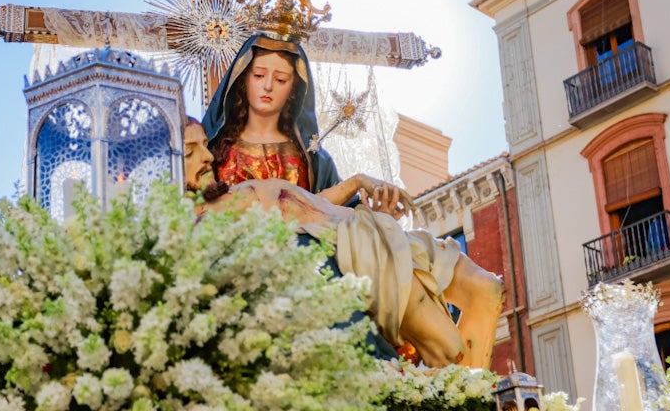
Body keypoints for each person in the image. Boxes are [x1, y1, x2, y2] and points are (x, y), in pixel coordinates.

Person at [183, 119, 505, 370]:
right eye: (190, 151)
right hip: (361, 256)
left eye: (204, 145)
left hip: (373, 229)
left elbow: (308, 202)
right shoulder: (201, 230)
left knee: (488, 289)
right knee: (451, 354)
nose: (208, 155)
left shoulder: (236, 194)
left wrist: (358, 181)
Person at [201, 34, 408, 217]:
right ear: (243, 80)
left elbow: (341, 215)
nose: (268, 86)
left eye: (281, 79)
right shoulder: (209, 150)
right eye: (258, 75)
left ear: (294, 89)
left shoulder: (314, 160)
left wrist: (377, 217)